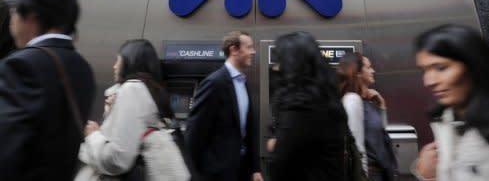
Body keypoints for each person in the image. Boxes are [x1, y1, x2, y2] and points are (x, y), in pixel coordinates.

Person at [0, 0, 96, 180]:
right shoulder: (82, 68)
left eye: (13, 16)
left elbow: (6, 144)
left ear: (32, 18)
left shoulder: (22, 64)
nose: (11, 25)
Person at [75, 39, 189, 181]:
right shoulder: (150, 92)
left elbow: (116, 160)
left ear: (130, 62)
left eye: (118, 61)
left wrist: (93, 135)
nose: (114, 66)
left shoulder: (133, 89)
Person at [413, 24, 489, 181]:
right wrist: (429, 175)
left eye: (440, 68)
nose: (428, 81)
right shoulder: (448, 123)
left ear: (474, 66)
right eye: (424, 71)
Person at [185, 31, 263, 181]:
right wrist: (192, 174)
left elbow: (247, 131)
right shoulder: (215, 83)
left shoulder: (242, 82)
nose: (253, 52)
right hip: (216, 173)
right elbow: (195, 131)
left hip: (240, 171)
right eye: (249, 47)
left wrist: (255, 169)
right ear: (234, 50)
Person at [269, 31, 346, 181]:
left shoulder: (301, 110)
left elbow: (281, 165)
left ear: (293, 64)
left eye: (281, 60)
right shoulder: (328, 100)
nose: (277, 67)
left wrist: (276, 144)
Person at [338, 53, 396, 181]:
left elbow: (381, 137)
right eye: (368, 68)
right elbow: (357, 148)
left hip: (380, 172)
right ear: (358, 73)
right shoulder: (352, 101)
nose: (373, 71)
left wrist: (382, 106)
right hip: (369, 174)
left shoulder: (366, 103)